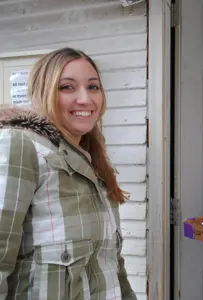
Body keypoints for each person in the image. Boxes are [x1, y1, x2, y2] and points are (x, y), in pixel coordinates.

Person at [0, 48, 137, 299]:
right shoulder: (21, 145)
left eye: (93, 87)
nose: (85, 99)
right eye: (67, 87)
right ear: (44, 92)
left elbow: (112, 264)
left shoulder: (92, 161)